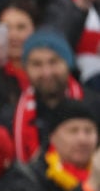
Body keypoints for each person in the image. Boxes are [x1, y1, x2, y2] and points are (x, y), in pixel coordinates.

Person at [8, 28, 100, 163]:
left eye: (53, 62)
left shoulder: (95, 106)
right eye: (37, 64)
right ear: (26, 69)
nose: (46, 72)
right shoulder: (12, 115)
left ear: (68, 64)